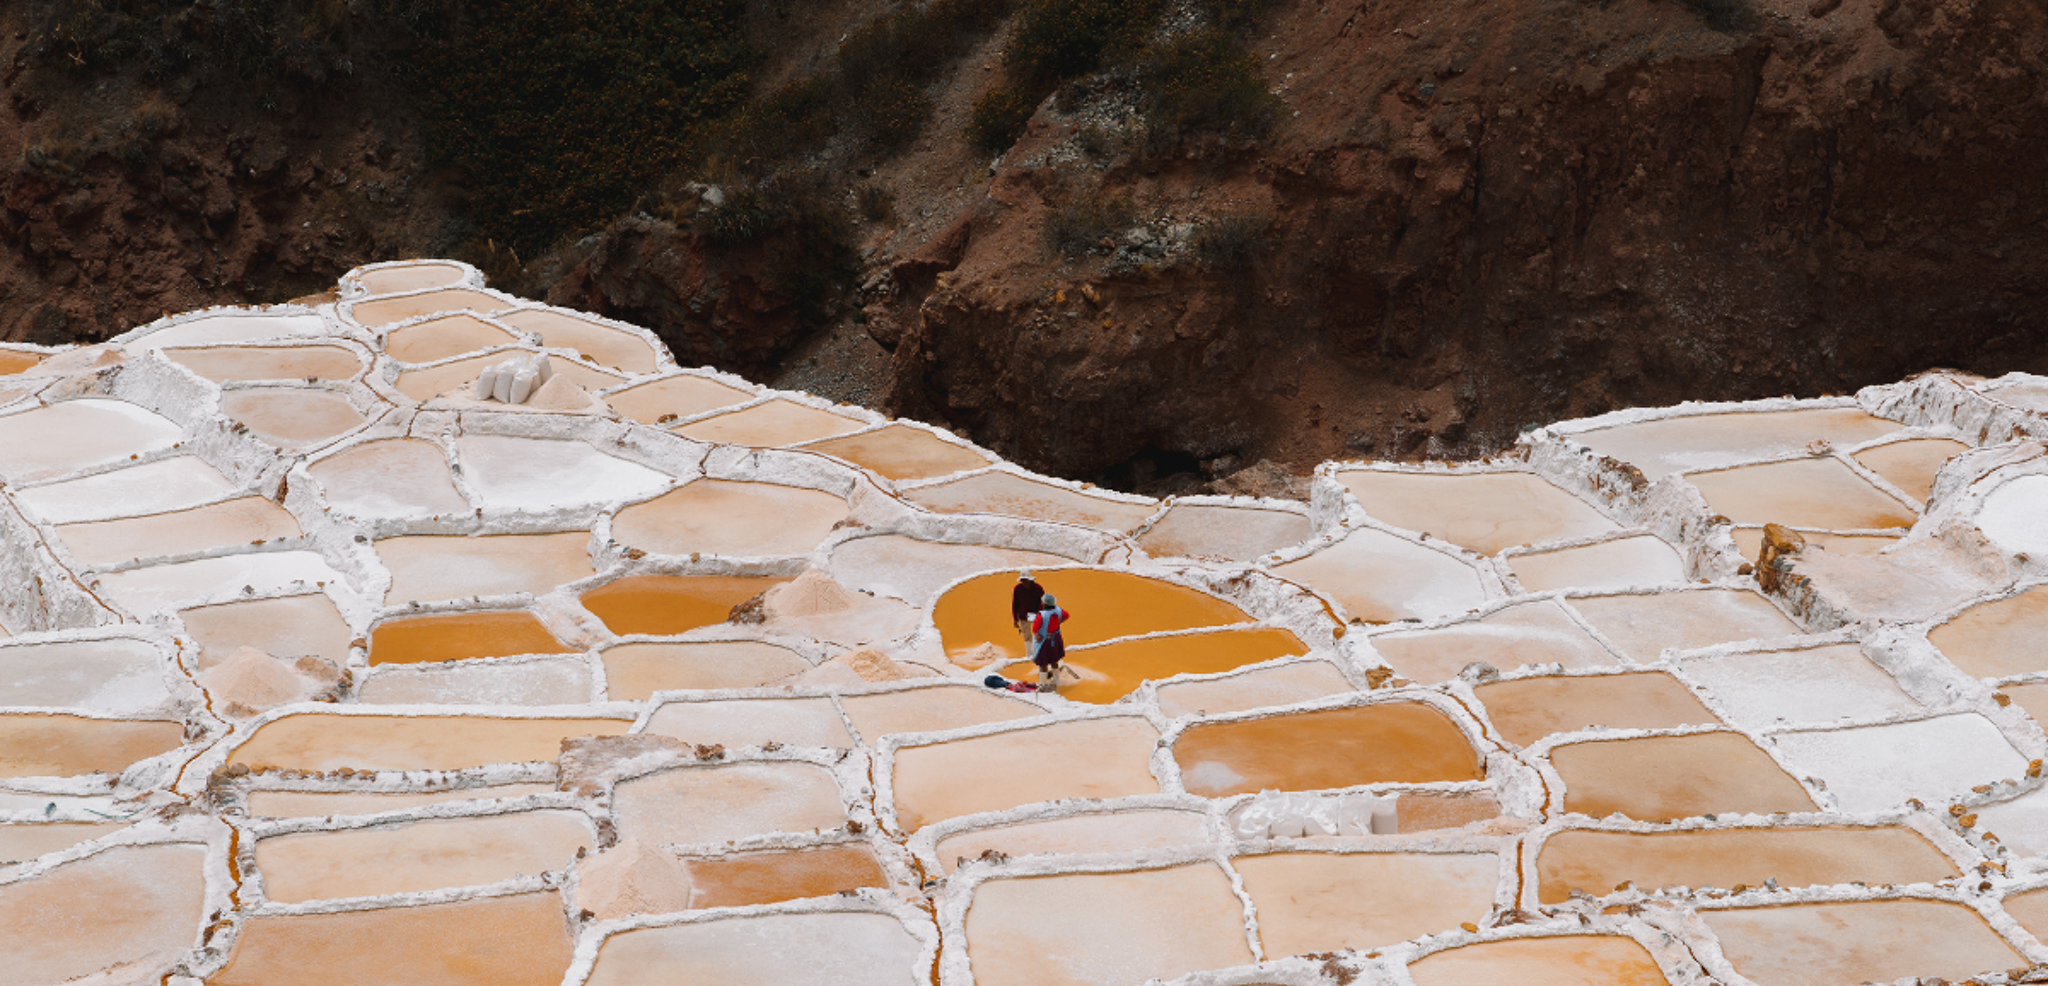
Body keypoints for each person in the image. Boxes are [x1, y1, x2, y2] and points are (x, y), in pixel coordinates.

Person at [1028, 594, 1071, 693]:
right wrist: (1059, 622)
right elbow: (1066, 615)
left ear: (1043, 603)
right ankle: (1056, 680)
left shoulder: (1041, 615)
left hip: (1044, 641)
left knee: (1043, 664)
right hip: (1055, 638)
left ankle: (1042, 684)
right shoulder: (1059, 610)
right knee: (1054, 660)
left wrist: (1037, 634)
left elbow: (1035, 628)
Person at [1011, 570, 1045, 647]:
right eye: (1022, 580)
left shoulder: (1038, 588)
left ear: (1030, 579)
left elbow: (1043, 603)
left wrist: (1039, 615)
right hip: (1023, 617)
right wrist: (1015, 619)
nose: (1024, 582)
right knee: (1027, 638)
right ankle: (1029, 656)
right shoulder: (1017, 589)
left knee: (1039, 635)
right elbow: (1015, 604)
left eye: (1025, 580)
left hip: (1036, 616)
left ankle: (1040, 654)